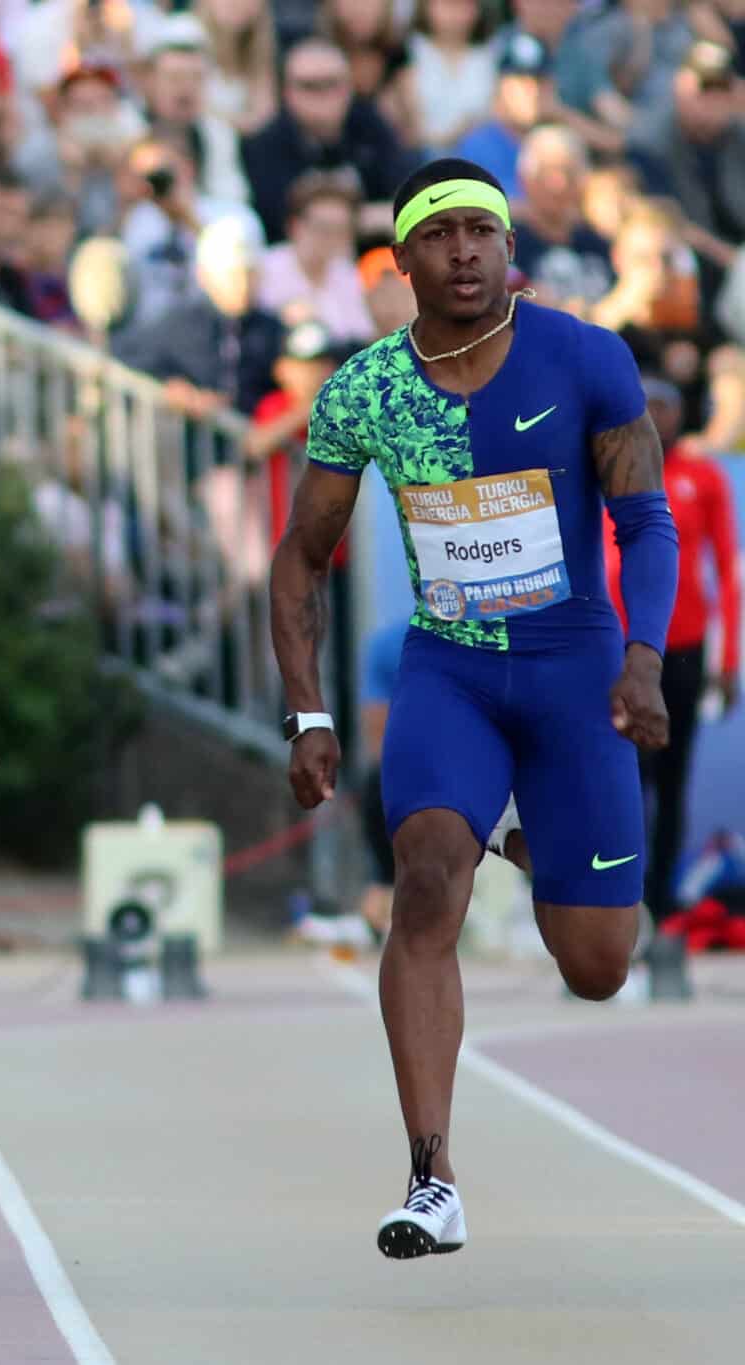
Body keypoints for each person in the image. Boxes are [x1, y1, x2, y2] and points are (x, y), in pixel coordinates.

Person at [269, 158, 677, 1261]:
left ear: (510, 252)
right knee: (422, 877)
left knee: (596, 965)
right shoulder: (362, 390)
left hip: (573, 672)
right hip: (447, 674)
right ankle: (429, 1175)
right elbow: (299, 562)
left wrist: (640, 661)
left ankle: (522, 829)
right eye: (436, 235)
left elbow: (643, 522)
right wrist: (307, 717)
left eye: (478, 233)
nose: (459, 251)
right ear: (397, 260)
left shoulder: (583, 357)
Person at [604, 377, 741, 925]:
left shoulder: (702, 477)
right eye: (648, 407)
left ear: (682, 413)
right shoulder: (609, 470)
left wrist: (727, 663)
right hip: (614, 650)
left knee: (671, 777)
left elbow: (728, 569)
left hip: (681, 650)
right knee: (621, 776)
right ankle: (619, 898)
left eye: (667, 406)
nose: (657, 417)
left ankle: (659, 908)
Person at [355, 615, 411, 939]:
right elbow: (378, 740)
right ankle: (384, 883)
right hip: (413, 766)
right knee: (377, 783)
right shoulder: (390, 644)